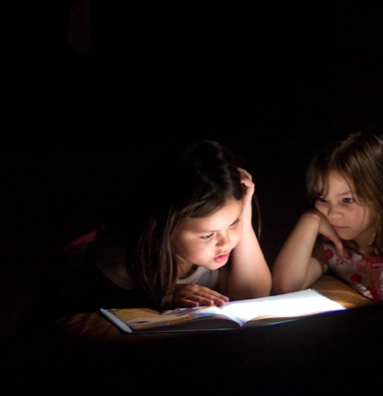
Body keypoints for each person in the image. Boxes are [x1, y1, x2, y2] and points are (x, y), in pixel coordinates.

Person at [27, 139, 272, 325]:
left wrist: (245, 212)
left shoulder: (213, 248)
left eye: (233, 223)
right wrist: (160, 299)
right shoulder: (119, 260)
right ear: (167, 227)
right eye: (207, 235)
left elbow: (253, 293)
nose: (226, 241)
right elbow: (84, 321)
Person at [271, 131, 383, 360]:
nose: (332, 213)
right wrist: (311, 220)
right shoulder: (332, 248)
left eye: (347, 200)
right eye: (322, 200)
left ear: (380, 195)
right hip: (358, 353)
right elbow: (285, 284)